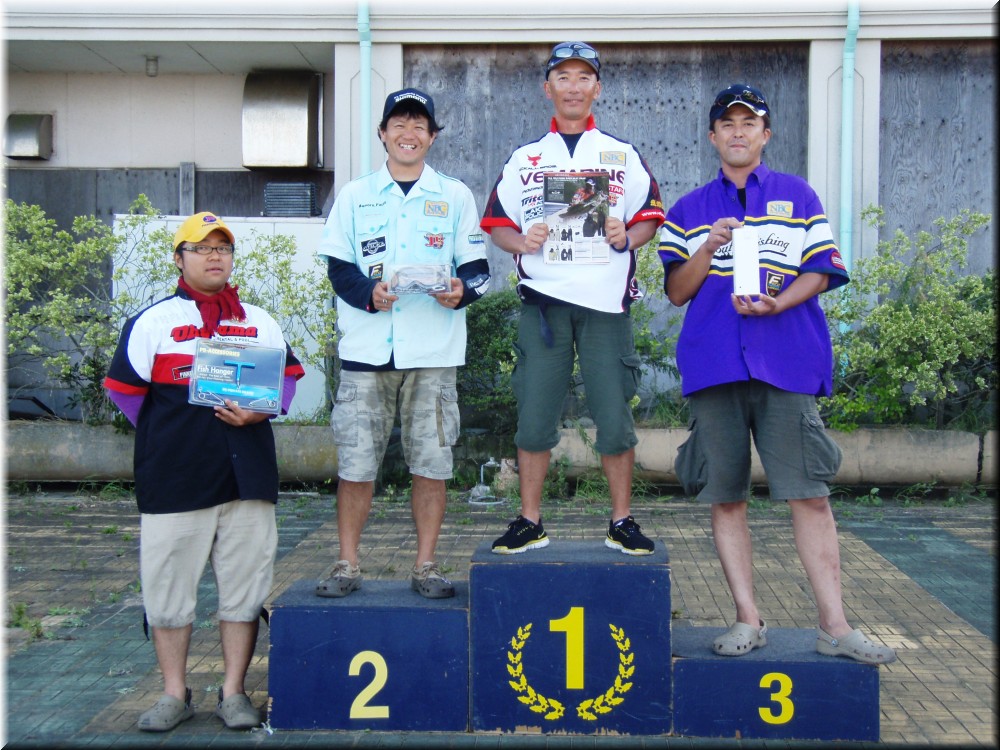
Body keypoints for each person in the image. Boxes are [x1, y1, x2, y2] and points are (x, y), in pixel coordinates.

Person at [658, 83, 897, 664]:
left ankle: (835, 628)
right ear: (713, 136)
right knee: (726, 498)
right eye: (728, 123)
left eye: (749, 123)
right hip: (715, 364)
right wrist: (707, 249)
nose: (738, 132)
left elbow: (822, 270)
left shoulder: (799, 195)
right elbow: (676, 292)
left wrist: (778, 303)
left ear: (765, 134)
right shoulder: (688, 210)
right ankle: (748, 619)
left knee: (809, 496)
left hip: (786, 361)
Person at [103, 211, 306, 731]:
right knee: (168, 592)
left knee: (245, 590)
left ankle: (234, 692)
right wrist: (171, 436)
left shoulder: (256, 320)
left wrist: (259, 411)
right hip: (175, 479)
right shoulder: (153, 321)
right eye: (202, 248)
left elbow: (286, 380)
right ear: (180, 258)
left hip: (247, 479)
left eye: (223, 248)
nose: (215, 256)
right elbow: (125, 392)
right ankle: (174, 694)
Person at [480, 42, 665, 555]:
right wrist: (522, 242)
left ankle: (621, 520)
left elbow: (650, 216)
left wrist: (626, 235)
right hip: (544, 303)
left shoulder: (621, 153)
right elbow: (497, 223)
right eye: (563, 77)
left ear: (597, 88)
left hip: (606, 305)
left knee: (614, 416)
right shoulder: (525, 158)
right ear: (548, 88)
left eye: (584, 77)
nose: (574, 87)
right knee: (534, 415)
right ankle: (529, 520)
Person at [315, 88, 490, 599]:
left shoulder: (454, 195)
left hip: (433, 353)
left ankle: (426, 566)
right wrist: (369, 294)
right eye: (399, 124)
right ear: (383, 134)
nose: (408, 133)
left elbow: (478, 271)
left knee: (431, 466)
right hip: (366, 352)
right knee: (355, 467)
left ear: (432, 136)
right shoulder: (355, 195)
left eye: (419, 125)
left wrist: (460, 292)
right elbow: (338, 268)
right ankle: (347, 564)